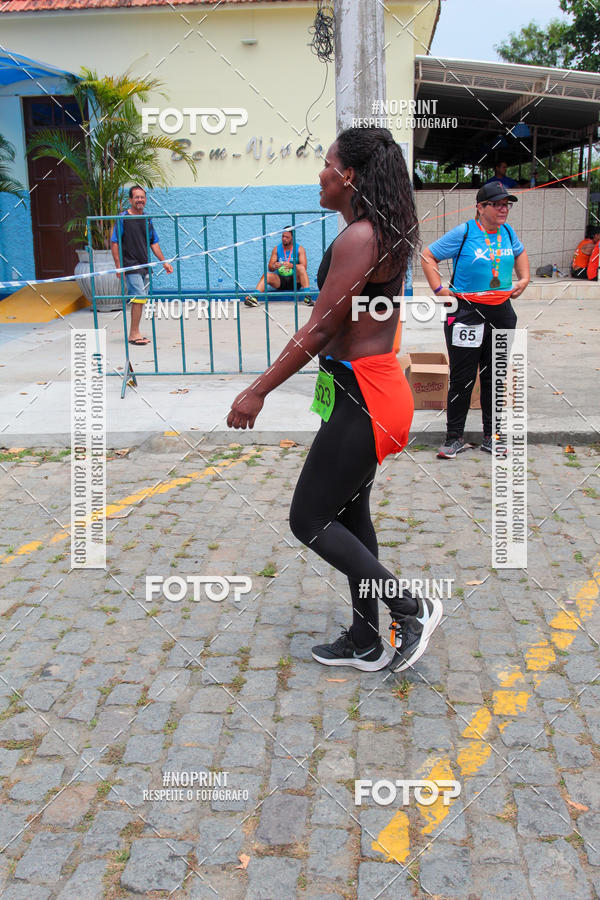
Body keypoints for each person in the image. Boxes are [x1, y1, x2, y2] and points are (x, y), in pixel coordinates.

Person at [228, 126, 443, 674]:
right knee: (350, 514)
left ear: (348, 175)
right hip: (368, 391)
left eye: (326, 163)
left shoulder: (360, 238)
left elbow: (321, 330)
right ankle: (366, 638)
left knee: (309, 519)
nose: (319, 174)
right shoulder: (379, 232)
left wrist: (257, 390)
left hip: (366, 396)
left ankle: (411, 609)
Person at [421, 182, 530, 459]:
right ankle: (453, 437)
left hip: (501, 312)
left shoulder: (507, 232)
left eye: (507, 204)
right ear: (480, 208)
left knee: (494, 376)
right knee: (462, 377)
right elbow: (428, 255)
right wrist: (439, 290)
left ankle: (492, 437)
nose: (504, 209)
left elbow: (520, 253)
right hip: (467, 312)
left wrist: (524, 279)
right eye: (497, 204)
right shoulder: (466, 231)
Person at [110, 185, 173, 345]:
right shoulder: (123, 218)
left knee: (140, 299)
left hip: (144, 264)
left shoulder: (147, 218)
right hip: (130, 265)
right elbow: (115, 242)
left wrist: (164, 262)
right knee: (139, 298)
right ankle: (134, 334)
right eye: (136, 197)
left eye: (142, 197)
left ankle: (135, 331)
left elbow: (154, 242)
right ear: (130, 200)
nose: (140, 200)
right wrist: (118, 266)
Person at [244, 227, 312, 307]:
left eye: (287, 237)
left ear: (292, 238)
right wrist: (274, 266)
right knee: (267, 275)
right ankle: (254, 298)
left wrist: (292, 266)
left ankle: (307, 297)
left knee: (301, 268)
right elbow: (270, 267)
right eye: (283, 236)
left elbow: (304, 267)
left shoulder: (299, 249)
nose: (284, 239)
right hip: (281, 280)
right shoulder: (277, 249)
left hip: (295, 280)